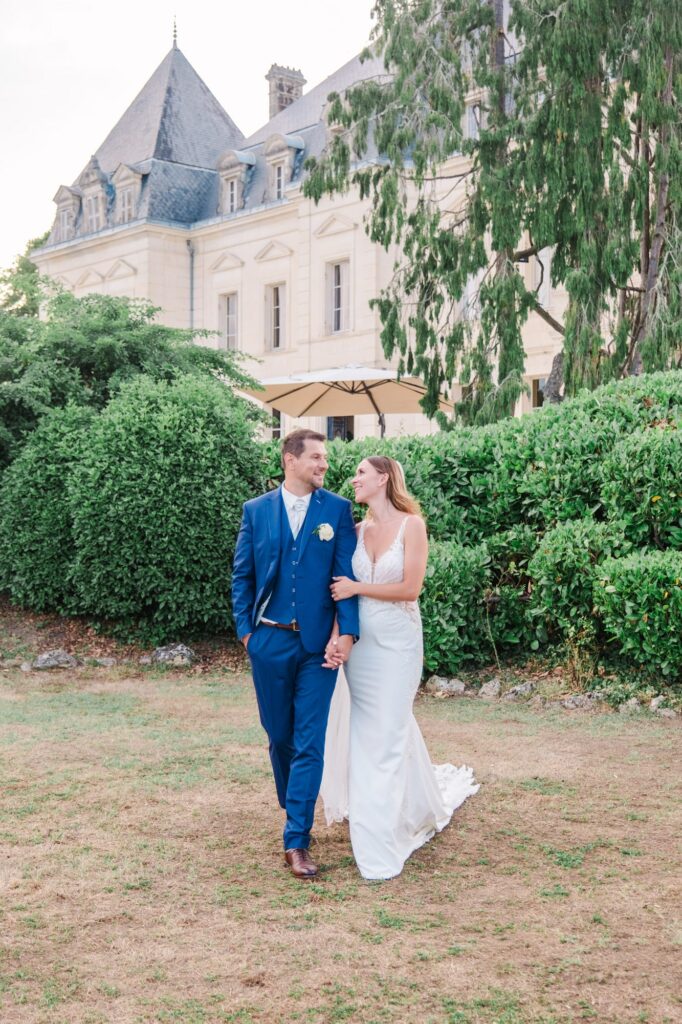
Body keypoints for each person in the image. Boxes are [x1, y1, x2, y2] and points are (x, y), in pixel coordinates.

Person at [321, 456, 479, 880]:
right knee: (366, 735)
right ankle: (387, 814)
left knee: (389, 733)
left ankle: (380, 844)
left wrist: (357, 586)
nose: (354, 479)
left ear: (383, 478)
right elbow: (340, 596)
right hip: (361, 649)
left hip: (398, 646)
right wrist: (337, 635)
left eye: (361, 472)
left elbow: (410, 588)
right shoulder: (356, 531)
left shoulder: (413, 526)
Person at [232, 429, 359, 880]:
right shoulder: (256, 510)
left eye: (325, 458)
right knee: (279, 735)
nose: (324, 465)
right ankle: (295, 805)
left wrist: (347, 634)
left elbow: (344, 578)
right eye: (316, 457)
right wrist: (247, 634)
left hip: (317, 647)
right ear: (290, 460)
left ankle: (297, 838)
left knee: (309, 741)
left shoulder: (337, 510)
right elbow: (242, 576)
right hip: (268, 642)